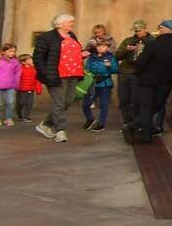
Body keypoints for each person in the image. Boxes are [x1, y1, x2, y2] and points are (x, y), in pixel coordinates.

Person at [125, 19, 172, 144]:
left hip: (147, 81)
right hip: (165, 81)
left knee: (146, 108)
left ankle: (138, 131)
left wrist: (139, 73)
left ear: (162, 29)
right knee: (156, 106)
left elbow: (140, 62)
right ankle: (137, 129)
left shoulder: (152, 44)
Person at [33, 13, 88, 143]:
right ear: (61, 23)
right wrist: (45, 73)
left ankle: (45, 124)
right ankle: (60, 130)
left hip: (73, 73)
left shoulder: (72, 36)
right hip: (56, 75)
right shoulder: (47, 37)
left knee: (68, 101)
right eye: (70, 22)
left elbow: (71, 53)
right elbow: (38, 57)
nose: (72, 24)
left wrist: (81, 55)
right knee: (59, 102)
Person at [115, 20, 153, 126]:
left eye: (139, 30)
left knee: (136, 100)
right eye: (135, 31)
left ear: (145, 29)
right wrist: (126, 50)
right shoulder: (128, 41)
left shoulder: (152, 41)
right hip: (125, 72)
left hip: (140, 74)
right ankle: (127, 122)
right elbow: (117, 56)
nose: (137, 33)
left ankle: (136, 123)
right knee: (123, 99)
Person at [81, 42, 119, 132]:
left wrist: (110, 66)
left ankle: (101, 124)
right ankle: (90, 119)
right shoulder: (92, 57)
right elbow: (87, 68)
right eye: (99, 46)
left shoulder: (111, 57)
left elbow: (116, 69)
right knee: (86, 104)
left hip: (105, 83)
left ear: (107, 47)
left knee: (103, 104)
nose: (101, 48)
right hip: (93, 83)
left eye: (104, 46)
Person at [15, 53, 42, 122]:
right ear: (23, 62)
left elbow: (37, 79)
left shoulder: (34, 69)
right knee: (20, 103)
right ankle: (19, 115)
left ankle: (26, 117)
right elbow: (17, 78)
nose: (31, 60)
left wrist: (38, 89)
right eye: (29, 59)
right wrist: (16, 86)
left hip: (30, 89)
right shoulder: (20, 69)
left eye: (31, 58)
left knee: (29, 103)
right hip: (21, 90)